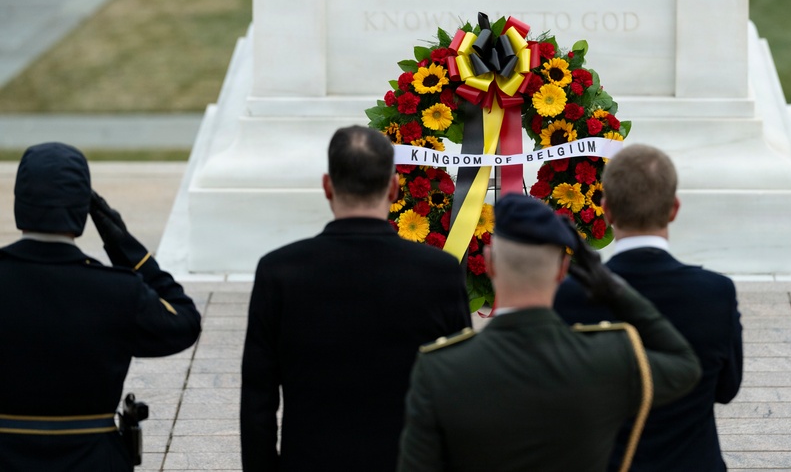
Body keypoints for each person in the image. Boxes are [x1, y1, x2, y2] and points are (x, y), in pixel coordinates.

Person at [397, 193, 702, 472]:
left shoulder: (440, 369)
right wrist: (614, 290)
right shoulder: (609, 358)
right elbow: (685, 365)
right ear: (562, 269)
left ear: (489, 264)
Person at [240, 126, 471, 472]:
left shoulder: (279, 272)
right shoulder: (439, 272)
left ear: (327, 186)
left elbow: (258, 401)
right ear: (394, 188)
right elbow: (460, 395)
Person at [0, 142, 202, 471]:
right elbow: (184, 322)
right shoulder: (118, 290)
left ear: (20, 204)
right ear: (84, 211)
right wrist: (125, 246)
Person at [555, 144, 743, 472]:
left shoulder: (568, 296)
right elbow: (726, 389)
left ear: (606, 210)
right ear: (673, 209)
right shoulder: (716, 293)